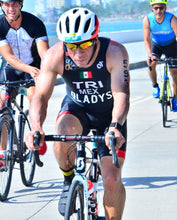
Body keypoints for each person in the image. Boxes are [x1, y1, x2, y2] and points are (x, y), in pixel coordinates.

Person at [25, 7, 130, 220]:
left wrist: (116, 125)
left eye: (85, 44)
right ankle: (68, 180)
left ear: (96, 38)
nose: (78, 52)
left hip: (108, 117)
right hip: (76, 109)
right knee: (63, 131)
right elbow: (40, 97)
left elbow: (121, 94)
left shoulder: (115, 52)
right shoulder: (55, 55)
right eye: (72, 46)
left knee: (111, 180)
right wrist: (35, 127)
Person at [0, 0, 49, 168]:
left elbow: (44, 54)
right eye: (6, 4)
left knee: (36, 99)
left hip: (34, 66)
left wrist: (45, 72)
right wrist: (27, 69)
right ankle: (2, 154)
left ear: (21, 4)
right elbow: (8, 56)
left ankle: (37, 133)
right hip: (11, 68)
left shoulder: (35, 23)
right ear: (1, 5)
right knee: (1, 106)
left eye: (14, 4)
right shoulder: (0, 24)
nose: (10, 8)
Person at [143, 0, 177, 111]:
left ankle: (175, 99)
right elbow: (147, 39)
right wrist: (149, 55)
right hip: (156, 45)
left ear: (165, 8)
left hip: (171, 45)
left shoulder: (172, 19)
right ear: (152, 8)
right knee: (151, 63)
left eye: (161, 8)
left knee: (175, 72)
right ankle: (155, 86)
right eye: (156, 8)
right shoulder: (147, 20)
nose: (159, 11)